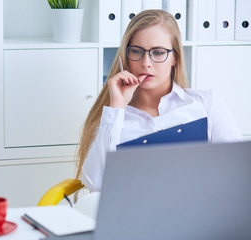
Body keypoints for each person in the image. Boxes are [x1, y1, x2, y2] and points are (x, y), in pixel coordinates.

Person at [76, 9, 242, 192]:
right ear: (126, 57)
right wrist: (116, 107)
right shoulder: (113, 116)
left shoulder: (206, 104)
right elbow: (95, 184)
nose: (146, 62)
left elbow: (238, 173)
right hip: (133, 215)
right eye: (137, 51)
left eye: (158, 52)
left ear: (175, 58)